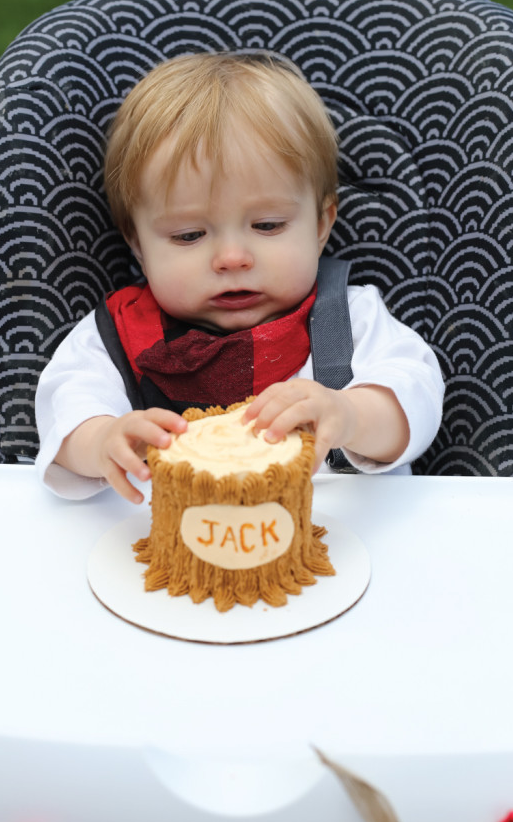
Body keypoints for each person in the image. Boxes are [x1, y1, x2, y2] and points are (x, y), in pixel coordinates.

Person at [35, 51, 444, 502]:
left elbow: (416, 393)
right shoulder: (116, 337)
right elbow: (66, 406)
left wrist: (350, 413)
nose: (232, 258)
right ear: (136, 242)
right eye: (189, 235)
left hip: (349, 542)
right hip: (161, 549)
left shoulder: (350, 319)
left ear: (322, 224)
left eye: (267, 226)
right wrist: (101, 440)